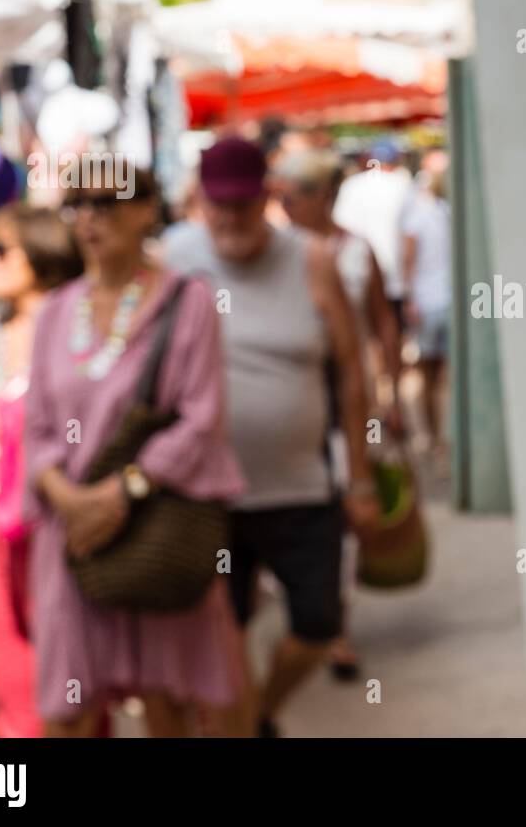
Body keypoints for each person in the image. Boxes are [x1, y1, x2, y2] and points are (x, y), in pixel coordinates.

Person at [162, 137, 381, 736]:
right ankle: (238, 720)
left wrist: (358, 474)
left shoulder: (311, 258)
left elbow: (352, 371)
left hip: (301, 486)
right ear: (200, 203)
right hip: (209, 496)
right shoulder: (174, 260)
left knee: (318, 623)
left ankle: (254, 717)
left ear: (268, 198)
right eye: (219, 207)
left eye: (243, 204)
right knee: (222, 637)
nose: (232, 219)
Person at [23, 165, 246, 737]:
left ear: (148, 209)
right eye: (78, 204)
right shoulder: (55, 312)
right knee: (66, 705)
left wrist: (124, 491)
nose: (92, 217)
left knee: (167, 697)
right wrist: (69, 498)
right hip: (76, 536)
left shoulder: (186, 301)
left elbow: (202, 420)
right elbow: (38, 428)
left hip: (157, 526)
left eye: (108, 201)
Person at [271, 147, 404, 679]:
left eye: (294, 195)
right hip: (294, 402)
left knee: (348, 505)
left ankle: (335, 626)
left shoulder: (355, 252)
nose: (285, 205)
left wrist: (391, 395)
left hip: (344, 403)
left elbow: (383, 324)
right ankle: (311, 618)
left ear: (324, 196)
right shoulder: (278, 252)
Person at [0, 203, 84, 738]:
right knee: (9, 655)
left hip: (62, 515)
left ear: (43, 254)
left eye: (1, 250)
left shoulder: (78, 322)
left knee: (70, 657)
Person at [332, 138, 414, 324]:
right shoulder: (403, 186)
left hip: (361, 270)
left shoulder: (352, 186)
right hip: (392, 272)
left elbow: (341, 227)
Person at [401, 163, 452, 452]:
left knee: (430, 376)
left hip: (428, 301)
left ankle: (436, 439)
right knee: (438, 377)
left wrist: (409, 297)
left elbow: (407, 259)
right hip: (442, 301)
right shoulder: (442, 214)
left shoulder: (420, 216)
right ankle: (439, 440)